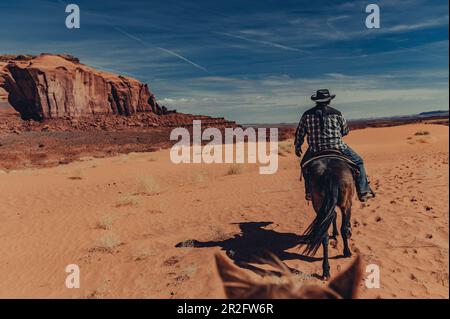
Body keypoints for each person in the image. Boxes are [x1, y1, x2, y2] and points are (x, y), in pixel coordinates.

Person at [294, 89, 375, 202]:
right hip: (338, 147)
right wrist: (335, 134)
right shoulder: (337, 113)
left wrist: (297, 146)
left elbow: (300, 133)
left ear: (316, 101)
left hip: (315, 149)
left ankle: (309, 192)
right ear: (329, 100)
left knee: (304, 166)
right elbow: (345, 130)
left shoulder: (307, 114)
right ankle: (363, 191)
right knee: (359, 161)